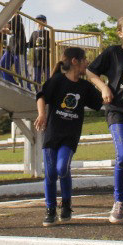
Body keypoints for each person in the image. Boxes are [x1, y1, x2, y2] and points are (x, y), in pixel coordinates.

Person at [33, 47, 103, 226]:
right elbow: (41, 95)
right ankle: (50, 209)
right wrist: (42, 114)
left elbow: (100, 101)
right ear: (75, 61)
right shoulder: (57, 81)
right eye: (84, 60)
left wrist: (95, 80)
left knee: (62, 168)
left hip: (70, 135)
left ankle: (66, 204)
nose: (87, 62)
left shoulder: (84, 86)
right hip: (52, 134)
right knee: (50, 173)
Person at [85, 14, 123, 223]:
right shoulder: (113, 52)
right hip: (118, 110)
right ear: (120, 32)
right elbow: (90, 71)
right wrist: (104, 87)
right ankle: (118, 201)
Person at [27, 15, 52, 85]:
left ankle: (47, 93)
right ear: (35, 23)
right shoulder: (34, 33)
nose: (39, 23)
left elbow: (52, 44)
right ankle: (38, 93)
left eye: (41, 21)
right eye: (38, 21)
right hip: (37, 60)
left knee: (48, 79)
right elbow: (30, 44)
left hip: (46, 60)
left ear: (45, 22)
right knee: (36, 79)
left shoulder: (48, 33)